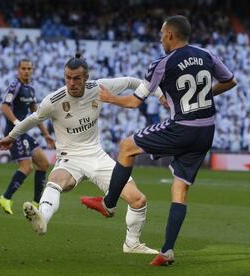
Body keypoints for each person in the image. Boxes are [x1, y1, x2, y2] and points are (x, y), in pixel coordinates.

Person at [81, 15, 237, 266]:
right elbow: (230, 81)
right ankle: (167, 251)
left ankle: (109, 204)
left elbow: (133, 102)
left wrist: (111, 98)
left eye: (162, 34)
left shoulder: (162, 64)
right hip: (207, 130)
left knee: (126, 147)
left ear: (171, 36)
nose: (160, 38)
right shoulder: (207, 55)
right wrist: (202, 93)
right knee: (180, 189)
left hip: (182, 127)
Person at [0, 54, 161, 254]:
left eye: (76, 78)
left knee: (138, 200)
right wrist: (11, 136)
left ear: (86, 77)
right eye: (68, 78)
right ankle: (42, 219)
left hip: (97, 156)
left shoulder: (97, 88)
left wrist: (159, 94)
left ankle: (132, 244)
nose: (71, 83)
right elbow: (33, 118)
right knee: (55, 180)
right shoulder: (54, 100)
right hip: (70, 157)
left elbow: (131, 82)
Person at [0, 59, 55, 215]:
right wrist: (17, 124)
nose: (26, 71)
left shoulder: (30, 89)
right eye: (23, 68)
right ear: (18, 70)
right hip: (13, 134)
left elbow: (36, 113)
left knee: (43, 163)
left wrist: (46, 134)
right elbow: (4, 106)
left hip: (23, 132)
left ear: (33, 70)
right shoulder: (14, 87)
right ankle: (5, 198)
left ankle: (36, 203)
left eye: (29, 68)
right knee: (26, 167)